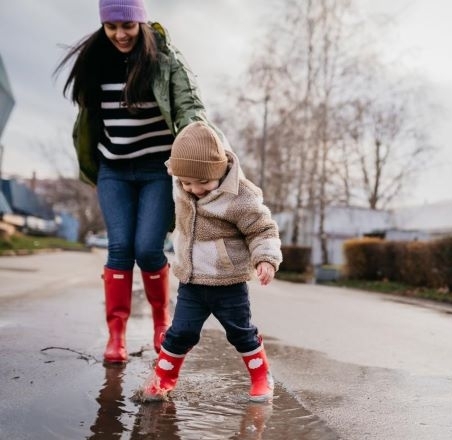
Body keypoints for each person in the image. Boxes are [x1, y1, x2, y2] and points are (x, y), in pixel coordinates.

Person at [55, 0, 233, 365]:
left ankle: (160, 323)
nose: (120, 34)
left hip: (156, 170)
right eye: (112, 26)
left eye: (127, 25)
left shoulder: (165, 60)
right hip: (113, 170)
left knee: (148, 249)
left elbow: (188, 108)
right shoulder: (95, 59)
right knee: (119, 248)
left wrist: (200, 145)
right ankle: (116, 335)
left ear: (140, 22)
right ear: (104, 26)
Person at [141, 121, 282, 403]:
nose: (195, 190)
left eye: (204, 182)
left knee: (241, 333)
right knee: (180, 333)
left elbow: (262, 229)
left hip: (228, 283)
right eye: (187, 183)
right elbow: (179, 172)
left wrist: (265, 259)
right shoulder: (182, 185)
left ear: (219, 170)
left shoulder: (240, 197)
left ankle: (260, 375)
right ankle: (164, 377)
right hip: (191, 282)